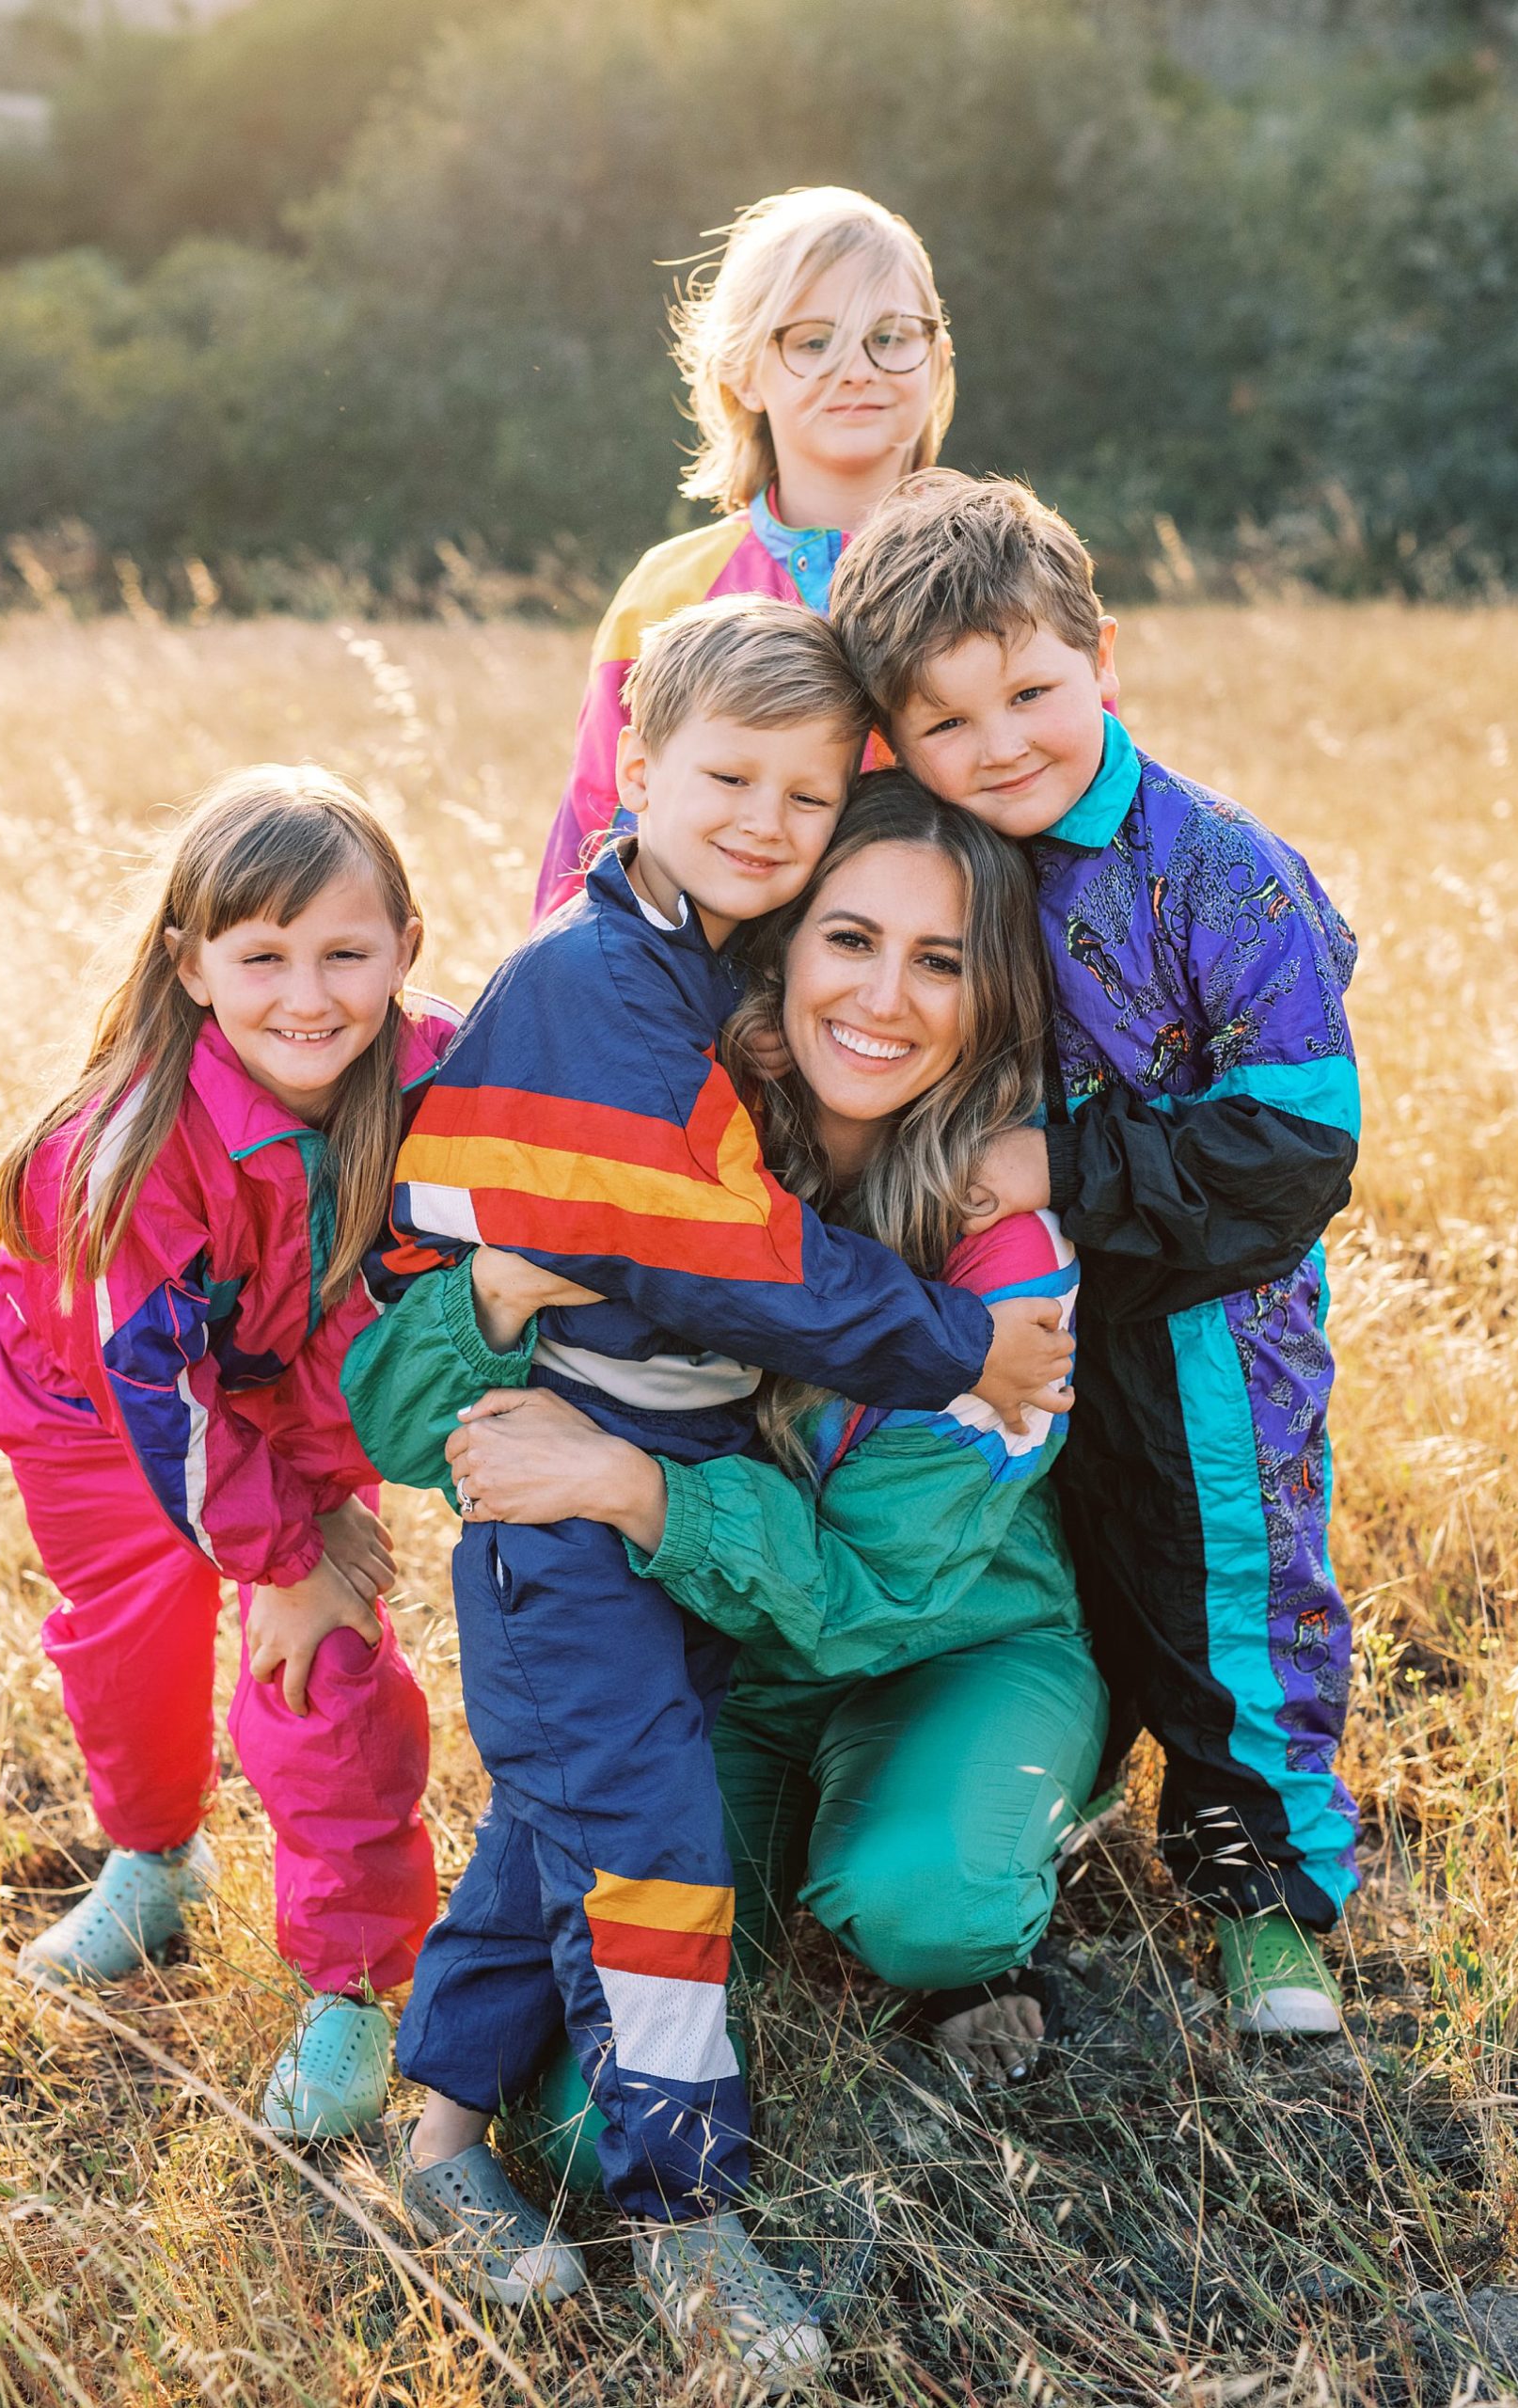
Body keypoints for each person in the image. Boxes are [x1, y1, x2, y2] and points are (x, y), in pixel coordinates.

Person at [335, 596, 1072, 2387]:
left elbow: (767, 1342)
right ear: (637, 769)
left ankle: (433, 2138)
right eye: (727, 779)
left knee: (559, 1826)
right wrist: (935, 1342)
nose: (761, 818)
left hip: (735, 1546)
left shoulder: (723, 995)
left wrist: (975, 1317)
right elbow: (727, 1265)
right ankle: (684, 2218)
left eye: (805, 796)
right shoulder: (598, 987)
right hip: (568, 1526)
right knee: (643, 1843)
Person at [830, 471, 1363, 2035]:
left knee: (1228, 1597)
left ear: (1099, 656)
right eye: (943, 723)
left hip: (1206, 1327)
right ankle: (1047, 1827)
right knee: (1062, 1575)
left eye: (1028, 693)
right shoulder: (936, 864)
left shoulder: (1215, 868)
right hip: (1010, 1319)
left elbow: (1294, 1150)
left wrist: (1050, 1171)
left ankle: (1268, 1898)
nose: (997, 744)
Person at [0, 764, 451, 2139]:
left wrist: (310, 1536)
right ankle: (154, 1859)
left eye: (345, 955)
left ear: (403, 954)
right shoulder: (122, 1152)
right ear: (189, 965)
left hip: (281, 1387)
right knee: (133, 1647)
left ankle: (352, 1989)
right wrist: (288, 1548)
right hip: (100, 1412)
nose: (309, 996)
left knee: (324, 1674)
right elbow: (156, 1395)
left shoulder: (430, 1073)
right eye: (263, 957)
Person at [532, 183, 955, 922]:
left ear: (937, 361)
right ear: (744, 371)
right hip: (704, 1019)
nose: (856, 368)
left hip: (935, 1000)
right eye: (813, 340)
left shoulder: (1004, 574)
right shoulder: (669, 590)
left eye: (889, 336)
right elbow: (598, 831)